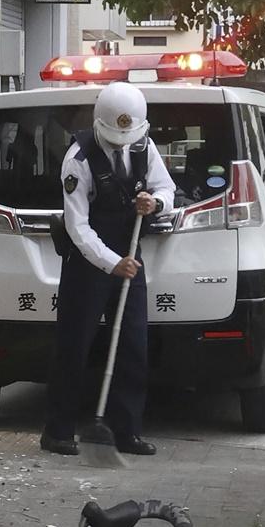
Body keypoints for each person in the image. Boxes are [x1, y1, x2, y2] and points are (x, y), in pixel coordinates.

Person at [42, 82, 176, 456]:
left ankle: (126, 430)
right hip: (90, 264)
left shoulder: (143, 146)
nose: (122, 145)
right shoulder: (78, 160)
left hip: (130, 256)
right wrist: (111, 263)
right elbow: (77, 227)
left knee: (133, 343)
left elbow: (167, 187)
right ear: (100, 125)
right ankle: (58, 430)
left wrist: (155, 202)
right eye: (116, 139)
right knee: (74, 345)